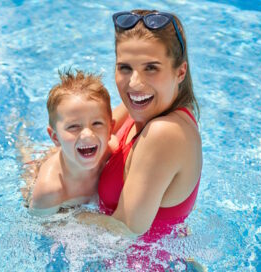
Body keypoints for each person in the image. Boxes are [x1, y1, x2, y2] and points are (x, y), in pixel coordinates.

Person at [78, 9, 202, 239]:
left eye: (151, 68)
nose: (134, 83)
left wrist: (54, 213)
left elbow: (123, 232)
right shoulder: (141, 107)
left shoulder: (164, 133)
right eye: (125, 67)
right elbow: (85, 141)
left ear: (180, 71)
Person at [27, 70, 118, 215]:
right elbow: (41, 228)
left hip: (69, 152)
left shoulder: (112, 153)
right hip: (39, 177)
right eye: (74, 126)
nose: (88, 134)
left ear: (110, 129)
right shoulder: (50, 189)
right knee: (29, 164)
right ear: (55, 137)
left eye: (97, 123)